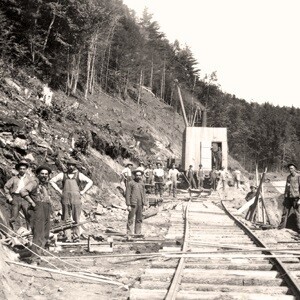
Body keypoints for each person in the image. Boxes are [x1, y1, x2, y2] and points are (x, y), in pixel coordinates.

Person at [50, 159, 93, 242]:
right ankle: (68, 237)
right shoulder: (63, 175)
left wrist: (83, 191)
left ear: (75, 166)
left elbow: (90, 182)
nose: (71, 166)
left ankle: (76, 237)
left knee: (76, 217)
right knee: (66, 217)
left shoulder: (79, 175)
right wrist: (59, 191)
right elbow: (52, 181)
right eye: (69, 165)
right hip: (65, 198)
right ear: (67, 166)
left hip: (76, 198)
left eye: (73, 165)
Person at [20, 165, 53, 257]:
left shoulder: (46, 184)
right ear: (38, 174)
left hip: (46, 209)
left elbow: (47, 199)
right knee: (38, 234)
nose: (44, 175)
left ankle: (40, 253)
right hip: (37, 210)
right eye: (42, 174)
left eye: (46, 174)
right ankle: (34, 258)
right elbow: (23, 192)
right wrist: (32, 203)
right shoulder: (34, 183)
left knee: (45, 234)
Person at [4, 160, 33, 231]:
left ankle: (29, 232)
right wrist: (9, 198)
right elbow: (6, 187)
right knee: (13, 216)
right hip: (15, 198)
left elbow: (34, 188)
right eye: (21, 169)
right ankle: (12, 231)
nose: (22, 170)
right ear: (18, 170)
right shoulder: (14, 178)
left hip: (25, 198)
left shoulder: (29, 179)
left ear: (26, 170)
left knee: (28, 215)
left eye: (24, 169)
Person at [278, 163, 300, 231]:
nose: (290, 170)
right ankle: (281, 227)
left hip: (296, 198)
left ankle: (299, 228)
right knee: (285, 212)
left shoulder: (298, 176)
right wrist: (285, 196)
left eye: (291, 168)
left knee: (297, 213)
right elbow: (286, 187)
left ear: (295, 169)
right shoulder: (288, 177)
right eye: (289, 168)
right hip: (288, 197)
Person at [126, 170, 146, 235]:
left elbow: (144, 194)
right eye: (137, 175)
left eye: (139, 175)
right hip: (133, 204)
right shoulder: (130, 183)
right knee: (130, 219)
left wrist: (144, 204)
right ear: (134, 175)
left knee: (139, 219)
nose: (138, 176)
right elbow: (128, 194)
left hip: (140, 204)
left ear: (141, 176)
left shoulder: (142, 184)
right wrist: (128, 204)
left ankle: (138, 233)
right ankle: (129, 234)